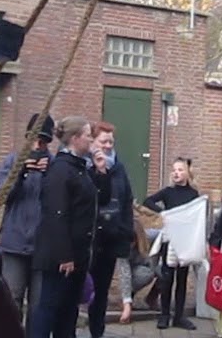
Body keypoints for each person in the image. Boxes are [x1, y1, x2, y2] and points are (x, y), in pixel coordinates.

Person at [29, 116, 109, 338]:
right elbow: (57, 215)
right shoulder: (61, 170)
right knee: (49, 309)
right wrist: (65, 256)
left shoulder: (81, 169)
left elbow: (100, 200)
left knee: (68, 313)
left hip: (78, 256)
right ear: (75, 139)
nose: (91, 140)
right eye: (88, 135)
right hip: (61, 259)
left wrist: (101, 173)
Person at [0, 112, 55, 329]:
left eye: (43, 140)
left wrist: (49, 175)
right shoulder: (12, 161)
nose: (38, 145)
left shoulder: (55, 164)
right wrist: (20, 173)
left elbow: (60, 202)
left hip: (43, 247)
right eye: (34, 139)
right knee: (11, 300)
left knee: (38, 307)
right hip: (14, 243)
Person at [86, 121, 134, 338]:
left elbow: (127, 202)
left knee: (102, 291)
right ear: (93, 142)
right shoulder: (86, 166)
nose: (107, 146)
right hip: (88, 238)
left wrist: (125, 234)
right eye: (103, 141)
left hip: (111, 239)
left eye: (110, 142)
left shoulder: (119, 167)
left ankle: (97, 332)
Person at [143, 158, 201, 330]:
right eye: (174, 170)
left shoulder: (193, 194)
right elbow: (148, 201)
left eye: (180, 170)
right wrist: (164, 213)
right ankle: (164, 315)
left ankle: (179, 316)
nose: (176, 173)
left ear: (187, 173)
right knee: (167, 278)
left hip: (185, 240)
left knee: (182, 279)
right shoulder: (168, 192)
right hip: (170, 239)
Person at [116, 219, 159, 323]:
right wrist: (126, 302)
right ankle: (128, 298)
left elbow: (164, 234)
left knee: (165, 270)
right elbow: (124, 275)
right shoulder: (122, 248)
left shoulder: (151, 236)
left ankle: (152, 297)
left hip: (150, 265)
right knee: (145, 274)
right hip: (135, 271)